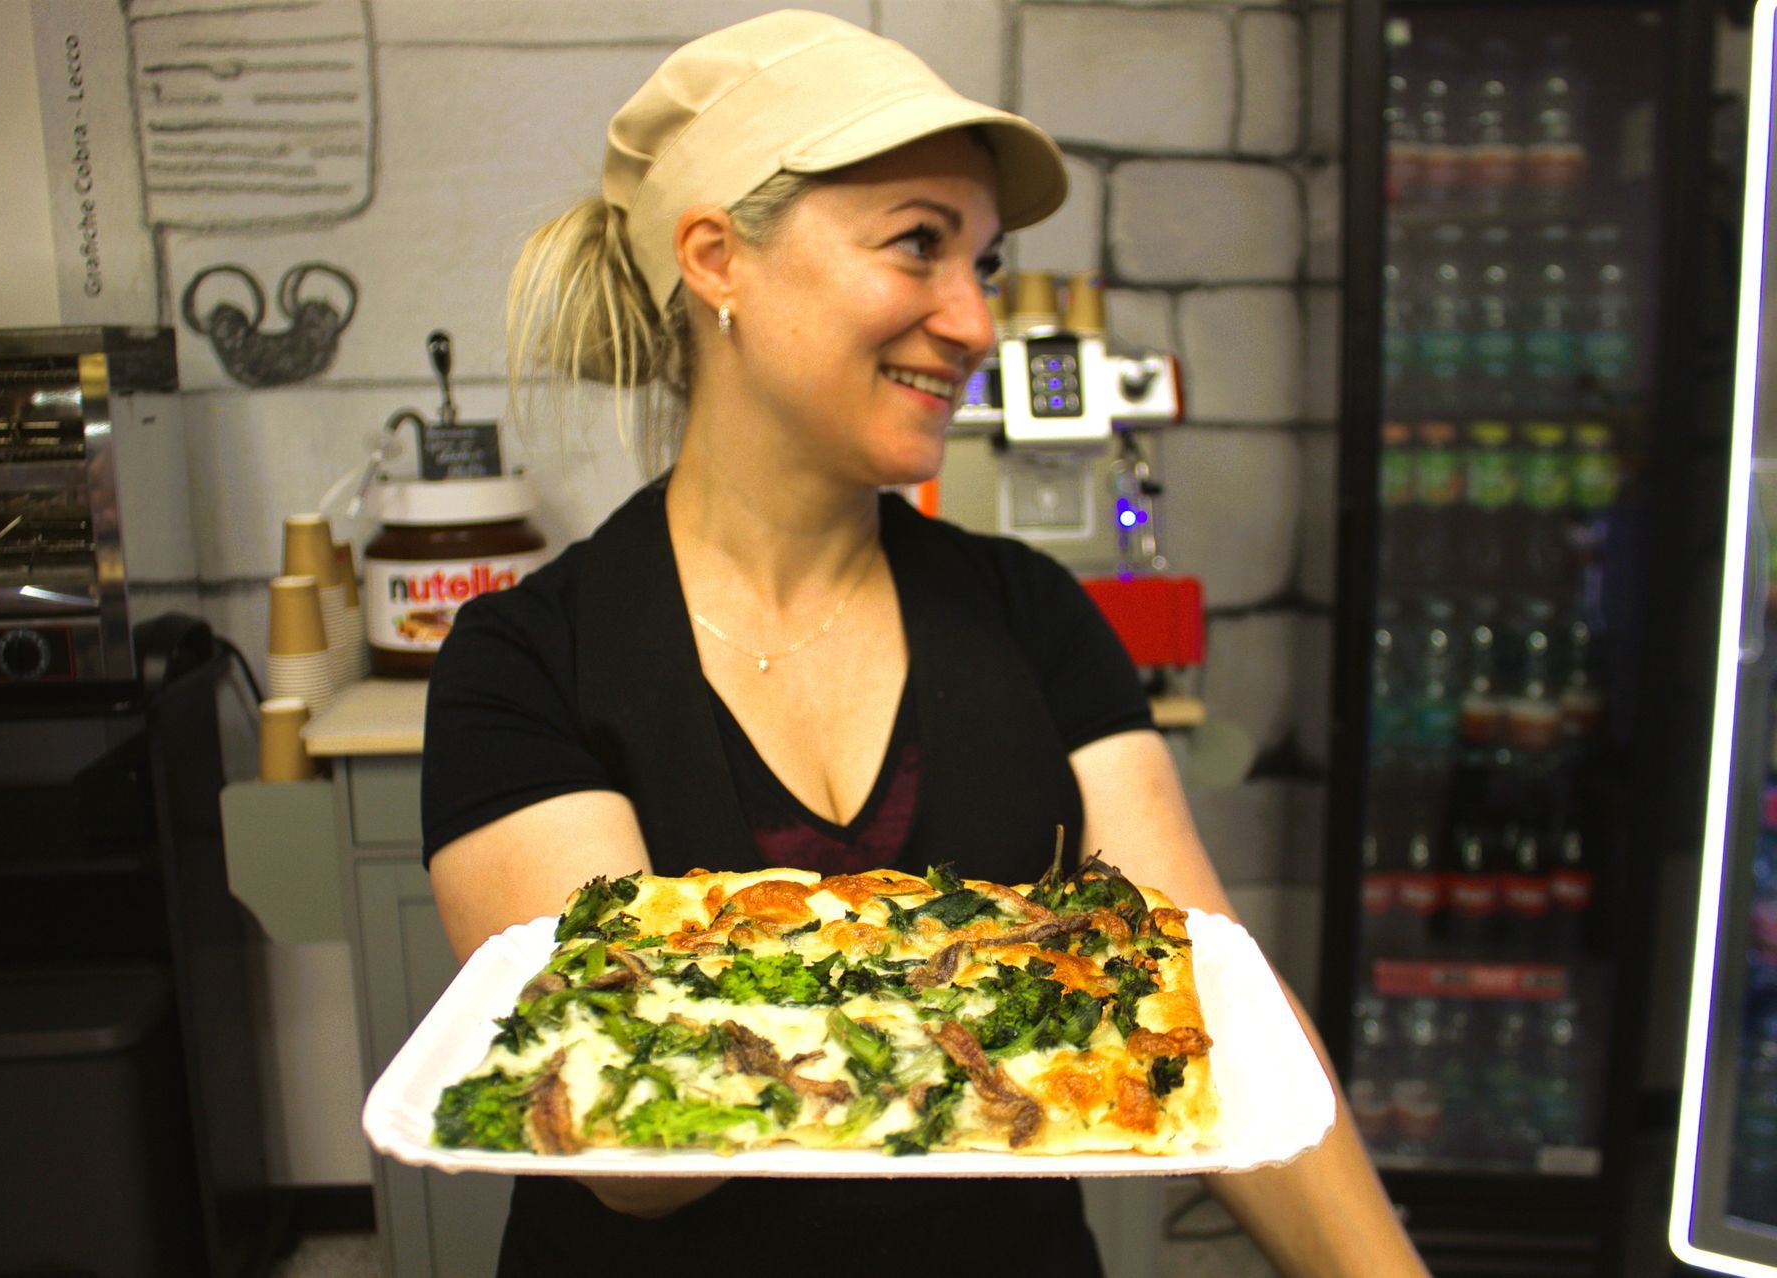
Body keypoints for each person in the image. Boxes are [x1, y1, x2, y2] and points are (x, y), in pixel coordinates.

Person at [422, 10, 1428, 1276]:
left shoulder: (1031, 615)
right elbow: (627, 1145)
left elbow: (1214, 1011)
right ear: (718, 257)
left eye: (988, 267)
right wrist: (1029, 1005)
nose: (974, 323)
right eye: (918, 245)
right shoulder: (524, 661)